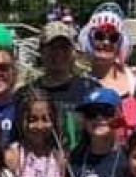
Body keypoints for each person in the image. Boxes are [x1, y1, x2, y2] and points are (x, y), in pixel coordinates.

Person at [15, 22, 99, 152]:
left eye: (64, 47)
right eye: (52, 47)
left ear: (73, 52)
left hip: (80, 167)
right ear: (41, 51)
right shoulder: (25, 94)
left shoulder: (90, 89)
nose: (58, 53)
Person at [6, 89, 70, 177]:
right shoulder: (13, 155)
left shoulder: (58, 155)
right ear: (21, 121)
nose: (39, 126)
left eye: (45, 119)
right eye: (32, 120)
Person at [68, 88, 126, 177]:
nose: (99, 118)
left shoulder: (128, 157)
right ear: (84, 119)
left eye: (106, 112)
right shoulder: (74, 159)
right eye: (91, 113)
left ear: (119, 115)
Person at [79, 3, 135, 99]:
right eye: (99, 36)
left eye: (113, 38)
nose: (106, 42)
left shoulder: (134, 81)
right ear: (89, 40)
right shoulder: (80, 84)